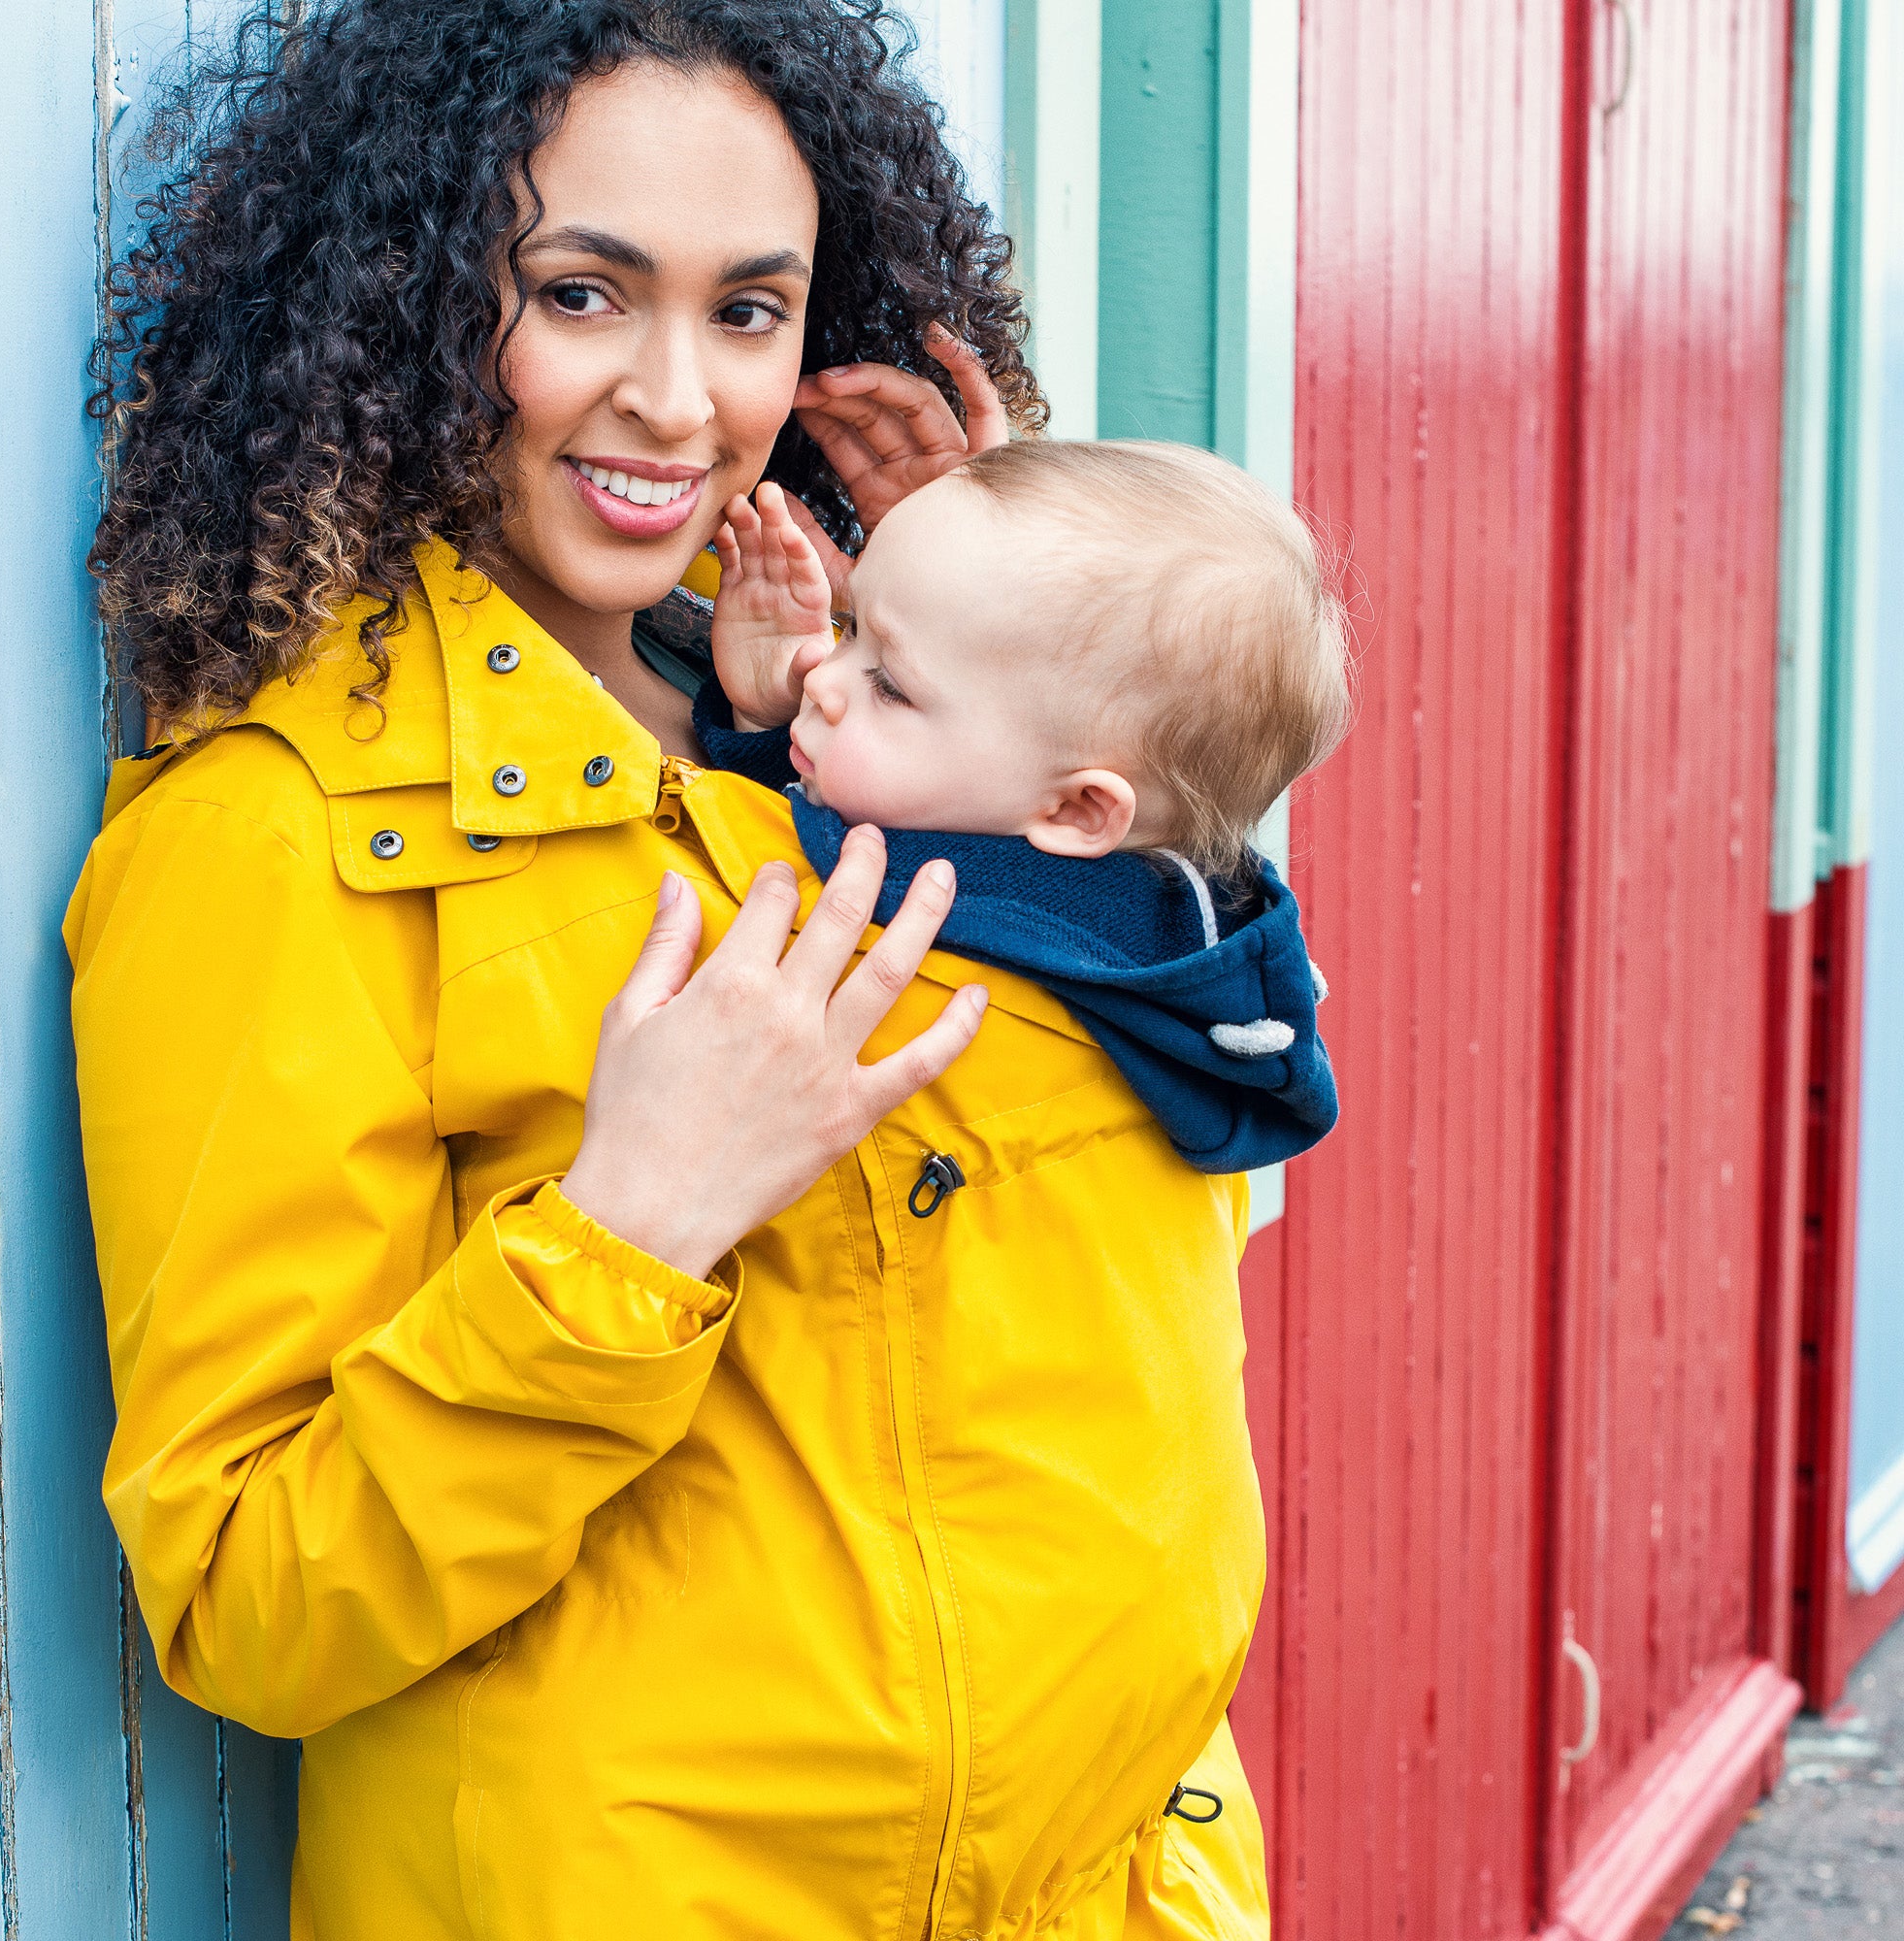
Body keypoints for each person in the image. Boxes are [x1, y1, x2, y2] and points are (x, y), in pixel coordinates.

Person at [69, 4, 1277, 1935]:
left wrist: (1013, 662)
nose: (676, 399)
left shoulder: (847, 744)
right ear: (404, 303)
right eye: (578, 293)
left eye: (746, 312)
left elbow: (1194, 1148)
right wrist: (633, 1223)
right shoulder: (283, 838)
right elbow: (252, 1599)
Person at [695, 441, 1349, 1173]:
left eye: (890, 686)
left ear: (1076, 811)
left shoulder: (994, 940)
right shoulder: (1176, 956)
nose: (818, 673)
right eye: (849, 630)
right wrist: (766, 728)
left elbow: (772, 876)